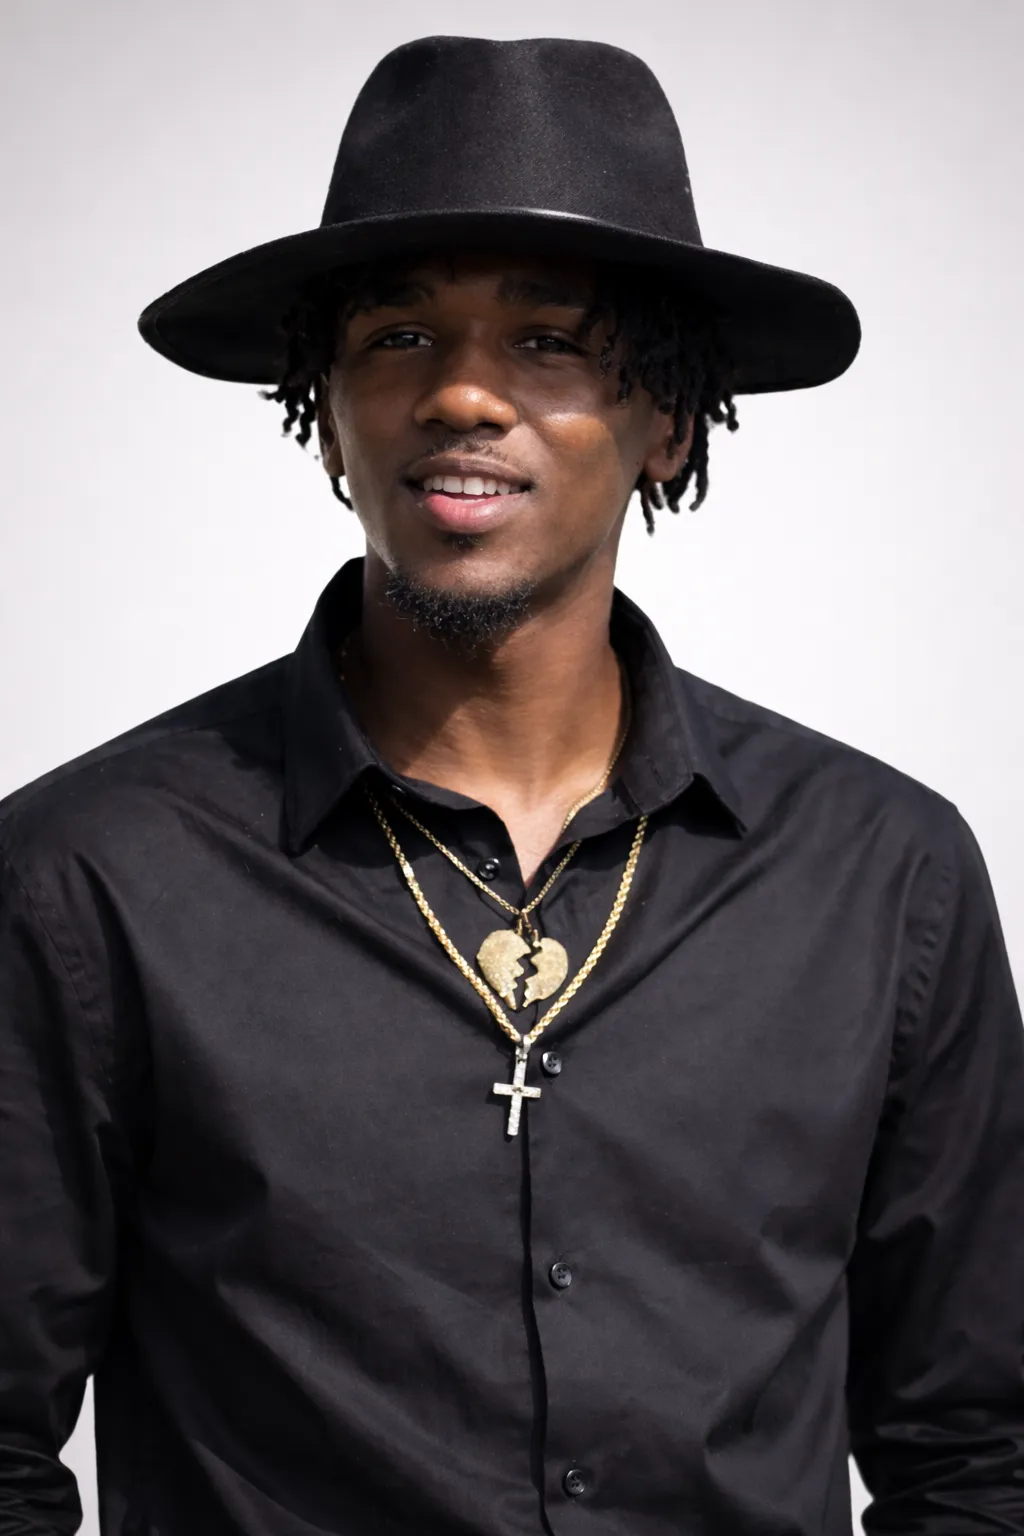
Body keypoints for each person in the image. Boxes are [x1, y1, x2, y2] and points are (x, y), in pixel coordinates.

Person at [1, 32, 1021, 1536]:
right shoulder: (90, 875)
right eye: (400, 338)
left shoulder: (882, 875)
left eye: (548, 342)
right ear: (326, 412)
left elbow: (980, 1453)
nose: (465, 395)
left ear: (669, 421)